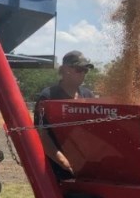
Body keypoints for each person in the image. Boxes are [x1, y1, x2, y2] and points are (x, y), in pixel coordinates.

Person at [34, 50, 95, 179]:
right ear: (66, 69)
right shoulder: (48, 96)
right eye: (79, 69)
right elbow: (41, 133)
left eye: (86, 70)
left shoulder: (88, 96)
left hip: (85, 165)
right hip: (57, 167)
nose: (83, 74)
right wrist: (62, 160)